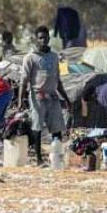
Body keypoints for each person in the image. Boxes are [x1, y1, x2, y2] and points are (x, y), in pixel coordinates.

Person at [20, 26, 71, 166]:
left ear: (49, 38)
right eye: (41, 37)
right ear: (36, 39)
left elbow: (58, 79)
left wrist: (66, 99)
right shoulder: (30, 58)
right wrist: (21, 100)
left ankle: (56, 159)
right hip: (37, 96)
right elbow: (24, 81)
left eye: (46, 37)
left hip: (53, 96)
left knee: (57, 127)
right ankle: (39, 159)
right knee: (37, 127)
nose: (44, 40)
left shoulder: (54, 57)